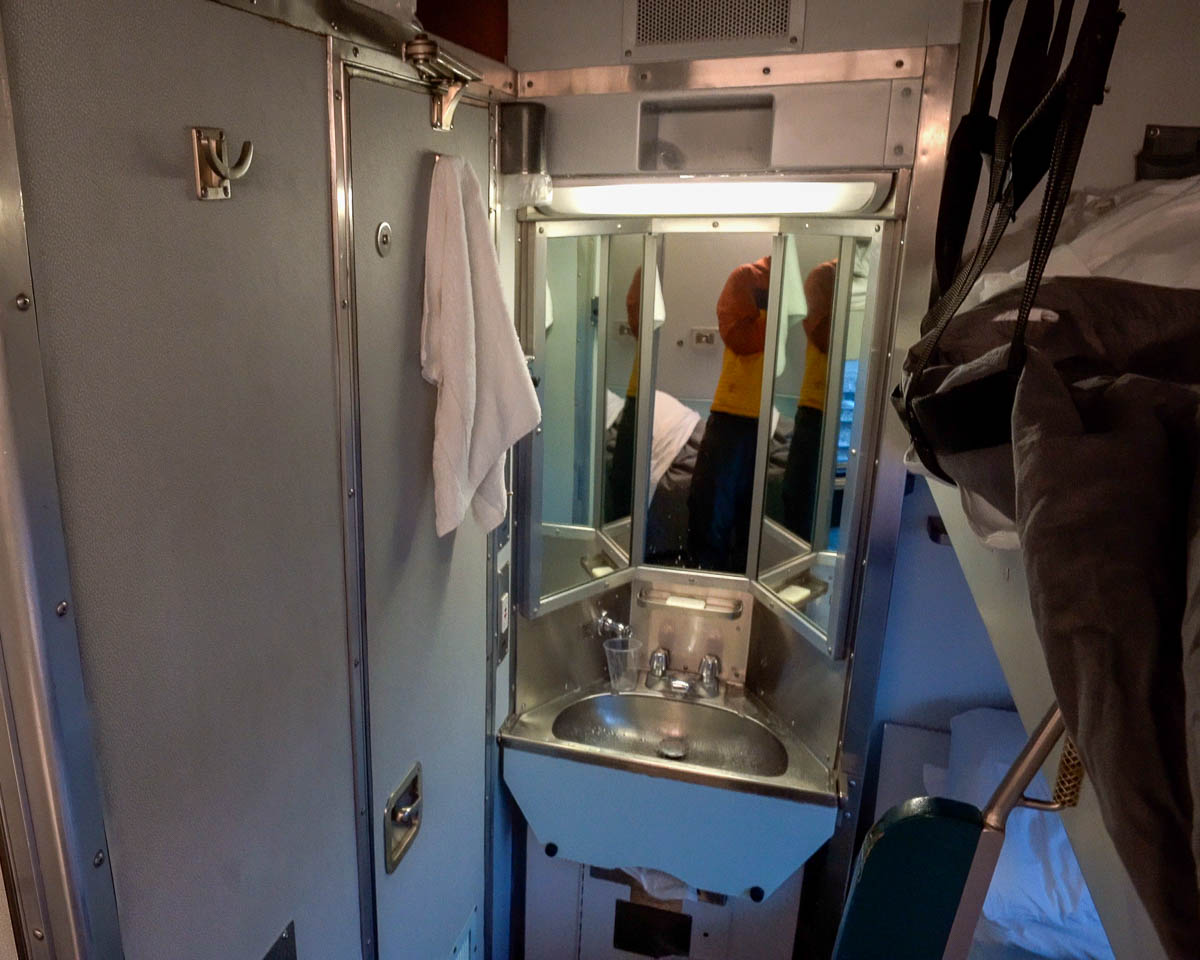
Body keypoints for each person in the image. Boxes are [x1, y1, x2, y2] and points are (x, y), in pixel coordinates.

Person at [686, 255, 771, 573]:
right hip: (734, 414)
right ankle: (703, 586)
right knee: (711, 514)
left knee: (751, 524)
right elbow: (740, 338)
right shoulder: (749, 277)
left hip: (765, 416)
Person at [782, 260, 835, 541]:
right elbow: (825, 338)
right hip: (817, 407)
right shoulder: (824, 277)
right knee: (799, 502)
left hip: (852, 411)